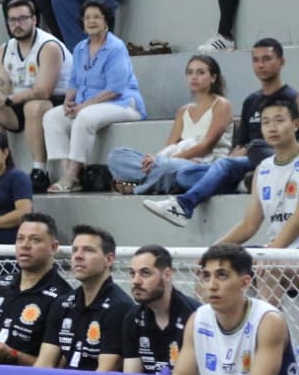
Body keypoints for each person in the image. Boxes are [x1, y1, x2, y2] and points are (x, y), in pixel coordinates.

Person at [145, 39, 296, 227]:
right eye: (256, 60)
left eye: (266, 59)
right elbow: (240, 143)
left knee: (247, 151)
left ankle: (184, 205)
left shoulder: (293, 98)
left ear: (281, 62)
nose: (260, 65)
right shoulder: (251, 101)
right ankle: (244, 182)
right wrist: (238, 154)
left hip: (279, 158)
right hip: (248, 161)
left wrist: (249, 150)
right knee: (185, 175)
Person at [42, 1, 145, 193]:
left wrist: (83, 106)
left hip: (122, 103)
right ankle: (70, 174)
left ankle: (71, 175)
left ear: (106, 21)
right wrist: (68, 101)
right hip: (88, 104)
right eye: (87, 17)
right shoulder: (80, 48)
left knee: (85, 116)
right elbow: (74, 81)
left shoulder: (116, 47)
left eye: (97, 17)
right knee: (52, 117)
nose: (91, 21)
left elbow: (115, 89)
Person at [172, 243, 299, 375]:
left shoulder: (268, 321)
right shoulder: (197, 320)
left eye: (222, 275)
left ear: (244, 283)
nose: (212, 286)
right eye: (206, 276)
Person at [0, 0, 71, 190]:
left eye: (22, 19)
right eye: (12, 20)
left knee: (34, 106)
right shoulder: (5, 48)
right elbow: (1, 82)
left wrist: (7, 99)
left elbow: (44, 91)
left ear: (34, 19)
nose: (17, 25)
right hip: (20, 99)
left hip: (59, 101)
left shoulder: (49, 46)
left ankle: (40, 171)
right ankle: (2, 171)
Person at [107, 55, 232, 194]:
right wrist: (155, 160)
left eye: (200, 72)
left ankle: (137, 187)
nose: (194, 77)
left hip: (205, 163)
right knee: (116, 156)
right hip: (178, 161)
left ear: (213, 77)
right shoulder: (184, 111)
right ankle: (156, 181)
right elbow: (170, 147)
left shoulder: (221, 105)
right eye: (190, 72)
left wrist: (163, 161)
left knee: (172, 169)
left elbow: (205, 147)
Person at [0, 213, 67, 365]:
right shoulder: (2, 284)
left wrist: (11, 354)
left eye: (35, 240)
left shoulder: (63, 297)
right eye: (20, 239)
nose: (25, 245)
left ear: (53, 247)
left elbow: (56, 367)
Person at [34, 225, 132, 372]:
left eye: (88, 250)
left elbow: (105, 373)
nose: (78, 256)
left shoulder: (120, 307)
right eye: (75, 250)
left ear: (109, 259)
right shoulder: (62, 303)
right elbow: (44, 365)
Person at [215, 96, 299, 261]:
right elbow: (249, 225)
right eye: (266, 122)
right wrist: (212, 251)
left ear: (295, 124)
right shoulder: (263, 169)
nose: (272, 128)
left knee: (265, 269)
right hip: (277, 251)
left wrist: (271, 255)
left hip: (286, 253)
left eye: (279, 120)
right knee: (219, 264)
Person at [123, 245, 199, 375]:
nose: (136, 281)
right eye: (132, 273)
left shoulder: (193, 315)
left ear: (167, 275)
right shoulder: (133, 317)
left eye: (145, 273)